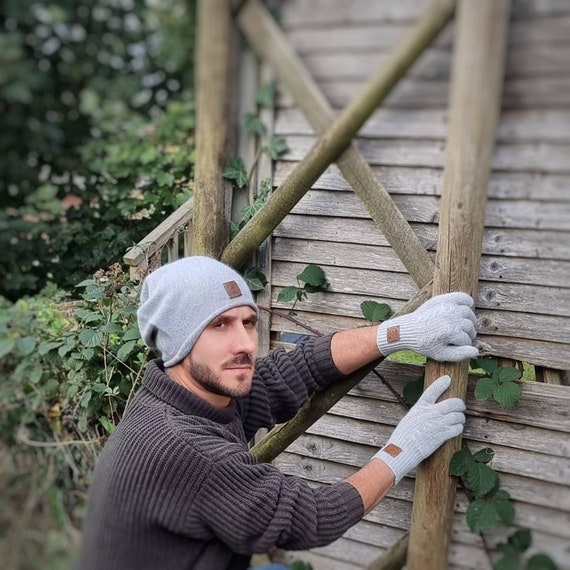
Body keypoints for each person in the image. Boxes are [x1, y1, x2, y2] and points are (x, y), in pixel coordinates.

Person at [76, 256, 478, 570]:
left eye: (248, 322)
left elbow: (297, 369)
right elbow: (314, 519)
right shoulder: (186, 448)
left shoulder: (182, 395)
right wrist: (401, 449)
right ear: (179, 341)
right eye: (218, 325)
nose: (245, 343)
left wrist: (398, 333)